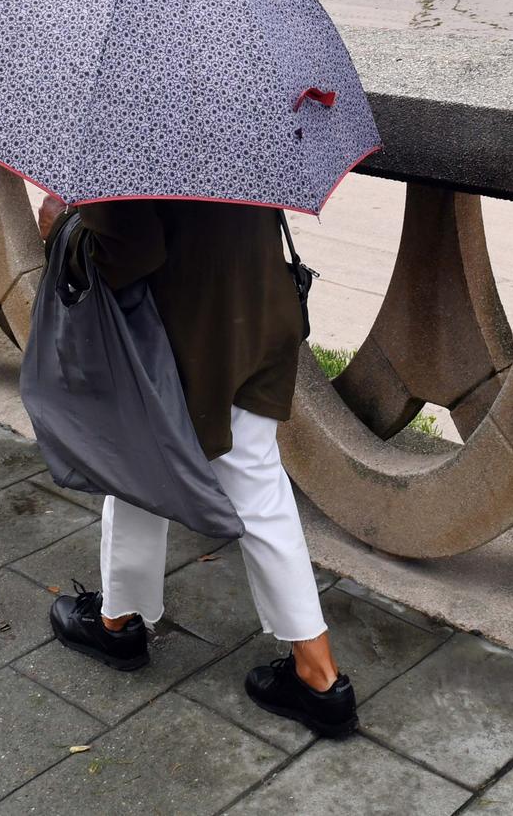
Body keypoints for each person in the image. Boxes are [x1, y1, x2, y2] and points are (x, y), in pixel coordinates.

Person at [37, 193, 358, 739]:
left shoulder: (133, 120)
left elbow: (127, 251)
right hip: (255, 309)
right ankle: (320, 676)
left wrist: (62, 227)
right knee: (259, 485)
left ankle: (118, 623)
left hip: (178, 333)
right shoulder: (243, 108)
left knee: (136, 462)